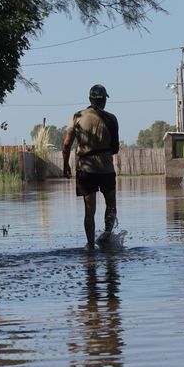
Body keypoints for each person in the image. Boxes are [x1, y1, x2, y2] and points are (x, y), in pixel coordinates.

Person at [63, 84, 119, 249]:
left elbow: (67, 145)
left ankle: (90, 245)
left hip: (86, 170)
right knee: (111, 205)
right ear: (104, 101)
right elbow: (115, 149)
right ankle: (107, 237)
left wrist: (65, 164)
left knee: (89, 210)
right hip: (106, 169)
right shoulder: (112, 119)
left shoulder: (78, 116)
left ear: (90, 99)